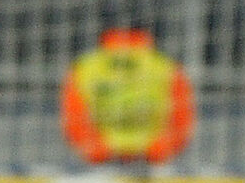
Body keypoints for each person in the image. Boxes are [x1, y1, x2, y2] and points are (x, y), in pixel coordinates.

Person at [61, 28, 195, 164]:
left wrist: (95, 149)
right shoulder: (166, 66)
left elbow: (73, 117)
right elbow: (181, 119)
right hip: (155, 161)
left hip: (100, 160)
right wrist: (160, 149)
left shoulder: (84, 67)